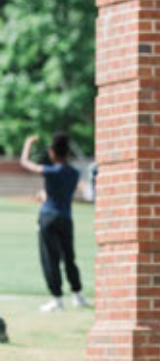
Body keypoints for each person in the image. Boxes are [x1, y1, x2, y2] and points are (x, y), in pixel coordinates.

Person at [20, 133, 87, 311]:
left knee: (50, 259)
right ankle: (77, 295)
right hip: (66, 218)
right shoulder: (74, 173)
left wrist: (27, 143)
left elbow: (25, 164)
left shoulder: (51, 171)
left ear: (52, 152)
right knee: (69, 258)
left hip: (48, 217)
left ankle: (57, 299)